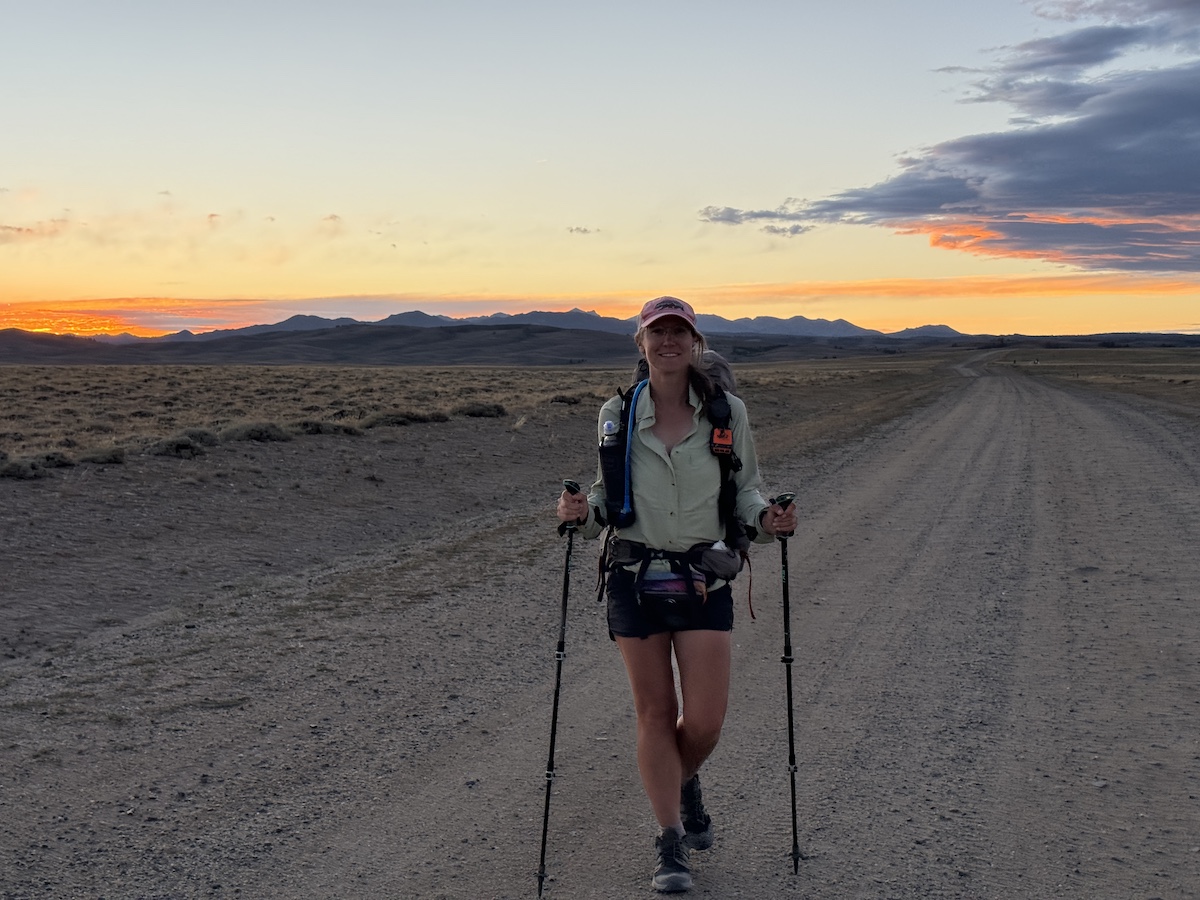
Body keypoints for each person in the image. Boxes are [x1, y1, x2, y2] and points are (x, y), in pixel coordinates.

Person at [556, 296, 796, 893]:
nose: (668, 341)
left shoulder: (726, 411)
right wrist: (579, 515)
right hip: (634, 577)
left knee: (706, 721)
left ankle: (684, 779)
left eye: (679, 331)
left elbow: (745, 489)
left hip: (703, 576)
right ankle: (669, 842)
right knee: (656, 714)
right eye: (656, 332)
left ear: (695, 343)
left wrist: (767, 520)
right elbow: (606, 494)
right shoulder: (617, 412)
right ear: (641, 343)